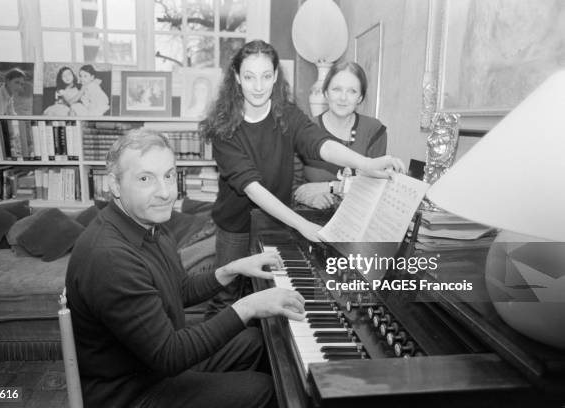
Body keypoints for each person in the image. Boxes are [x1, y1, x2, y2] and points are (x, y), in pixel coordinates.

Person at [65, 127, 305, 408]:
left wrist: (232, 269)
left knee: (255, 340)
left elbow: (178, 288)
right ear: (115, 185)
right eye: (145, 179)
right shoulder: (109, 257)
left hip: (152, 364)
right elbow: (170, 355)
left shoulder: (151, 224)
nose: (165, 192)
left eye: (169, 175)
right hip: (132, 391)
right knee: (262, 389)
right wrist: (248, 306)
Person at [200, 40, 405, 315]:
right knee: (227, 298)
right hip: (235, 228)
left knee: (268, 299)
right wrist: (302, 225)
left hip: (274, 223)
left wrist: (366, 163)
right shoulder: (224, 128)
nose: (258, 86)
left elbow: (319, 143)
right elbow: (253, 188)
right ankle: (215, 355)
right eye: (249, 77)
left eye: (265, 76)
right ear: (237, 78)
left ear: (275, 76)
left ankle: (252, 356)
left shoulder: (287, 114)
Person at [294, 61, 387, 209]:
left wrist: (332, 186)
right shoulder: (305, 129)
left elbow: (375, 185)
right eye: (337, 89)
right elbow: (292, 187)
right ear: (325, 93)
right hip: (312, 219)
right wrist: (310, 199)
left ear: (360, 97)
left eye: (352, 91)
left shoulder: (374, 130)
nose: (343, 98)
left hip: (357, 219)